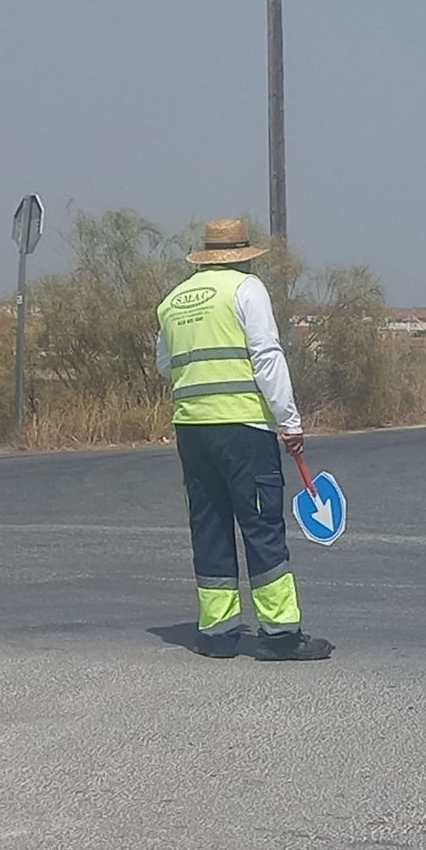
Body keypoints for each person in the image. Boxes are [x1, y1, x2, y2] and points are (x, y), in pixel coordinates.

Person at [156, 219, 333, 661]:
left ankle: (217, 634)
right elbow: (267, 356)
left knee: (209, 525)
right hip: (243, 427)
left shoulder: (173, 300)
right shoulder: (247, 289)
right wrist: (289, 421)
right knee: (261, 524)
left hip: (192, 429)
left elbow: (164, 364)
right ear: (243, 256)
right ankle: (280, 635)